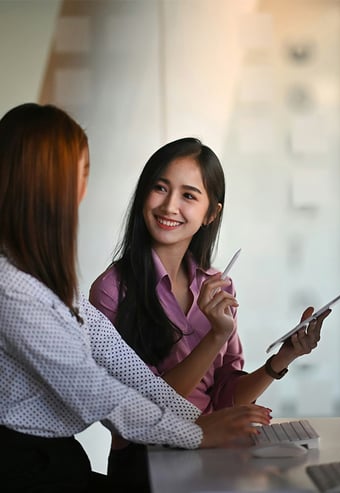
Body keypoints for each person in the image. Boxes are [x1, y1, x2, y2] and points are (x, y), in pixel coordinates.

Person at [0, 103, 271, 493]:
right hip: (25, 465)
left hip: (57, 457)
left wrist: (195, 422)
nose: (83, 188)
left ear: (212, 213)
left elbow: (122, 363)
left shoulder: (43, 275)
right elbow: (95, 392)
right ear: (48, 184)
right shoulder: (14, 288)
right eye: (82, 173)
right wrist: (195, 432)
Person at [88, 137, 326, 490]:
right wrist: (215, 336)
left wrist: (283, 358)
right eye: (160, 188)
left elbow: (223, 396)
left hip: (211, 453)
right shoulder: (112, 291)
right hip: (146, 461)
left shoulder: (217, 286)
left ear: (210, 214)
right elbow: (142, 410)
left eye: (188, 195)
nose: (169, 206)